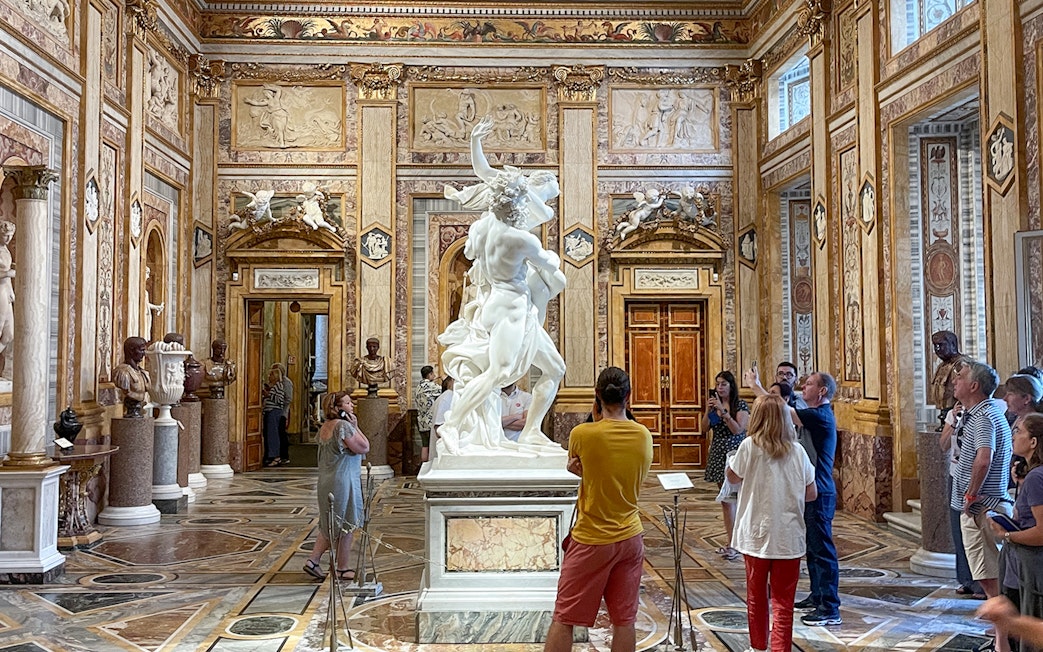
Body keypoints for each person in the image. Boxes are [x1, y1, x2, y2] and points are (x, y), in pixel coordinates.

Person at [438, 115, 565, 454]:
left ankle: (531, 432)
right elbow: (552, 272)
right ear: (523, 201)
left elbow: (485, 173)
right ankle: (451, 425)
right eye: (544, 198)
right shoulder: (522, 239)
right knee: (498, 374)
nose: (544, 206)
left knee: (555, 368)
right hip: (512, 308)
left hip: (499, 303)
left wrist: (475, 141)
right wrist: (552, 268)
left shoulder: (486, 228)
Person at [544, 367, 653, 652]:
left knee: (565, 617)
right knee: (624, 620)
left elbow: (586, 466)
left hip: (592, 537)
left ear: (597, 397)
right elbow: (621, 476)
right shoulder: (643, 435)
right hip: (630, 537)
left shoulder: (583, 434)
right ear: (628, 397)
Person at [745, 367, 841, 626]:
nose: (803, 388)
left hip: (820, 491)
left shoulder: (821, 415)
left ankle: (830, 607)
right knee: (812, 548)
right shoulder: (813, 413)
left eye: (809, 384)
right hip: (810, 491)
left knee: (822, 550)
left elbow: (782, 412)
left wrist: (756, 386)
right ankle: (817, 595)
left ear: (822, 391)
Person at [726, 394, 816, 652]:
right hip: (788, 535)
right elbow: (812, 493)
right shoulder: (798, 451)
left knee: (756, 597)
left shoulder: (749, 446)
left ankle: (758, 648)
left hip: (756, 533)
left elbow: (733, 478)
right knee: (784, 602)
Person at [950, 359, 1013, 648]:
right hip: (981, 503)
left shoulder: (984, 416)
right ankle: (1002, 629)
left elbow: (984, 457)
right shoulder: (978, 413)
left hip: (982, 505)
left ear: (974, 385)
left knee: (991, 570)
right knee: (986, 571)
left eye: (960, 377)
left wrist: (971, 495)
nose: (954, 380)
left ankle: (1004, 633)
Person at [987, 413, 1043, 652]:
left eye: (1018, 431)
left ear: (1033, 442)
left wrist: (1006, 535)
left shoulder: (1035, 478)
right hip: (1025, 564)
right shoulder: (1030, 477)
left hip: (1031, 566)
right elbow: (1028, 518)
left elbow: (1041, 532)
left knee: (1023, 630)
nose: (1013, 436)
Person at [303, 391, 370, 582]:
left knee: (331, 523)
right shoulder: (343, 426)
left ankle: (323, 563)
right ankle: (335, 566)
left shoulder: (326, 426)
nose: (352, 406)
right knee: (345, 523)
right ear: (338, 408)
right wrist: (356, 427)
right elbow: (364, 447)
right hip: (342, 480)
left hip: (326, 480)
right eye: (348, 403)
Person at [701, 370, 750, 561]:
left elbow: (738, 429)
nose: (719, 388)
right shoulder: (714, 406)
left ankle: (739, 541)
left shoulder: (740, 405)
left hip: (735, 453)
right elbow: (704, 428)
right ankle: (731, 542)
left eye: (723, 384)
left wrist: (723, 411)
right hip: (718, 453)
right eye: (718, 384)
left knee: (738, 498)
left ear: (731, 386)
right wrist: (708, 410)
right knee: (725, 499)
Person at [940, 400, 985, 600]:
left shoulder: (983, 415)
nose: (956, 383)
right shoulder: (954, 414)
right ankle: (965, 579)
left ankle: (982, 582)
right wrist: (955, 422)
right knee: (958, 529)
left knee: (975, 532)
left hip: (973, 476)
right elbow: (943, 445)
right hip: (955, 474)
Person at [931, 330, 971, 429]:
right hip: (945, 413)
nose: (937, 349)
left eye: (941, 345)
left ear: (953, 345)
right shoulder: (942, 365)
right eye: (935, 346)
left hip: (957, 413)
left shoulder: (963, 364)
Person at [112, 337, 151, 418]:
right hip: (130, 409)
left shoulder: (143, 373)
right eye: (141, 350)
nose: (144, 354)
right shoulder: (122, 372)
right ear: (131, 351)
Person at [414, 365, 442, 463]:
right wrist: (442, 380)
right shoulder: (431, 386)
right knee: (434, 445)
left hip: (421, 421)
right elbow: (445, 390)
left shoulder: (418, 387)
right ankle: (431, 466)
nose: (434, 375)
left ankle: (423, 466)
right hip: (430, 421)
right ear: (429, 374)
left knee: (425, 445)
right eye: (433, 373)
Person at [262, 366, 286, 467]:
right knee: (270, 434)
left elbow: (280, 400)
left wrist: (268, 395)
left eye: (271, 374)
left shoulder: (278, 386)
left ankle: (276, 457)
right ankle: (270, 455)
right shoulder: (274, 386)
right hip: (270, 412)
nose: (269, 376)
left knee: (273, 435)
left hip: (274, 412)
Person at [0, 221, 15, 380]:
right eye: (5, 235)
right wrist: (8, 274)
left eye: (11, 236)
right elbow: (6, 272)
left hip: (5, 292)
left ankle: (5, 372)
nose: (8, 239)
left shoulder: (5, 250)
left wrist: (11, 291)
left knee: (9, 335)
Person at [429, 376, 455, 461]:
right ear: (451, 381)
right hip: (444, 454)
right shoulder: (448, 397)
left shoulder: (447, 396)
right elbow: (438, 428)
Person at [272, 363, 293, 466]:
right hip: (276, 410)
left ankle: (284, 456)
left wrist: (280, 404)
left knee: (281, 433)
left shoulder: (286, 382)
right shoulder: (276, 382)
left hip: (282, 411)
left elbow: (288, 398)